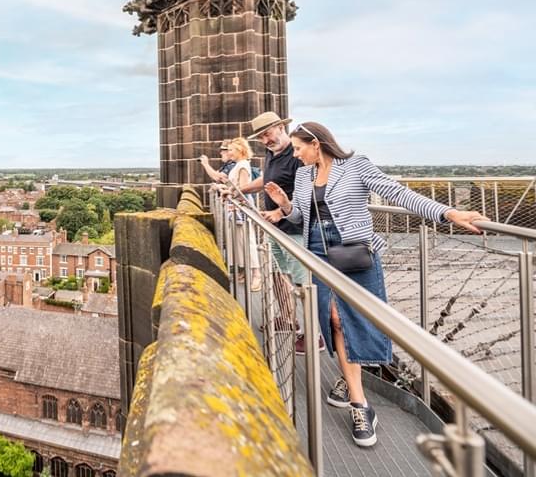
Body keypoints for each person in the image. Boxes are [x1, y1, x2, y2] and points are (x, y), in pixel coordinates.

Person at [264, 121, 486, 448]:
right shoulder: (302, 175)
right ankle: (360, 404)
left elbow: (397, 193)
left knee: (362, 322)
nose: (295, 155)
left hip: (354, 252)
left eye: (298, 148)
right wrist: (284, 205)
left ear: (316, 143)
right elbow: (299, 217)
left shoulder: (355, 165)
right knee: (334, 321)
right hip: (318, 255)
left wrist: (448, 213)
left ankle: (348, 379)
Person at [242, 112, 323, 355]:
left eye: (267, 134)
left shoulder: (298, 154)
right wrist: (238, 190)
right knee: (279, 275)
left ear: (280, 127)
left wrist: (280, 211)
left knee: (302, 282)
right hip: (275, 228)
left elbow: (310, 191)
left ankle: (313, 335)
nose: (265, 140)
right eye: (261, 137)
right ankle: (288, 320)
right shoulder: (271, 153)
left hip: (296, 229)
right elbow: (267, 180)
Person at [202, 137, 261, 291]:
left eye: (231, 150)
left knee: (248, 241)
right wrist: (225, 189)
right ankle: (245, 272)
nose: (229, 152)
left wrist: (226, 191)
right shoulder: (240, 165)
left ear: (240, 150)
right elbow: (235, 187)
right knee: (239, 242)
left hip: (241, 208)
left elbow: (243, 190)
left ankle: (257, 275)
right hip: (235, 209)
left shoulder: (242, 165)